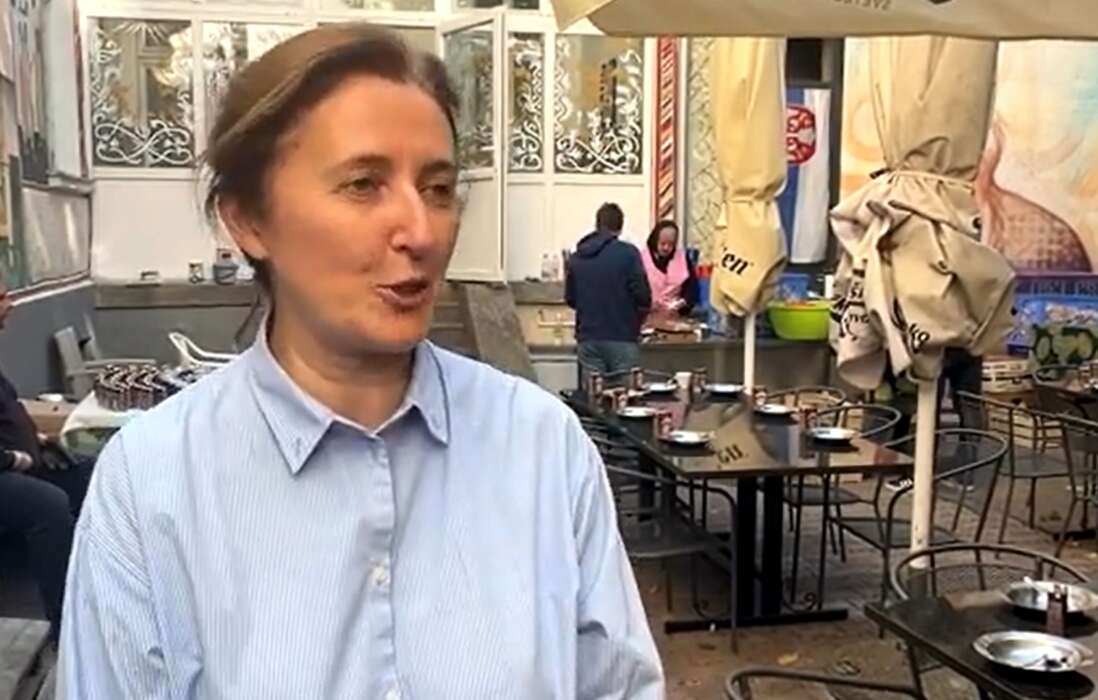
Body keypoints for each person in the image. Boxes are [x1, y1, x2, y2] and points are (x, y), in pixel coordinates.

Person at [58, 24, 663, 699]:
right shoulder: (153, 486)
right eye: (363, 184)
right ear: (248, 219)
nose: (420, 231)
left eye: (438, 188)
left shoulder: (542, 448)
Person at [0, 281, 89, 642]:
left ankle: (98, 596)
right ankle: (66, 626)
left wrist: (40, 441)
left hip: (20, 463)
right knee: (47, 505)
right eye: (2, 298)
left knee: (89, 474)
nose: (11, 304)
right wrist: (13, 459)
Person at [565, 202, 652, 383]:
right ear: (620, 227)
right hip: (623, 337)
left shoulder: (577, 257)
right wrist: (637, 319)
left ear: (597, 224)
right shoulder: (629, 254)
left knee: (594, 396)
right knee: (626, 396)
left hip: (588, 338)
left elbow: (571, 299)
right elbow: (643, 296)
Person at [639, 220, 698, 324]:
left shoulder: (682, 258)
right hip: (647, 318)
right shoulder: (641, 258)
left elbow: (692, 288)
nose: (666, 248)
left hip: (675, 318)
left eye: (671, 244)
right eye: (662, 243)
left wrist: (683, 303)